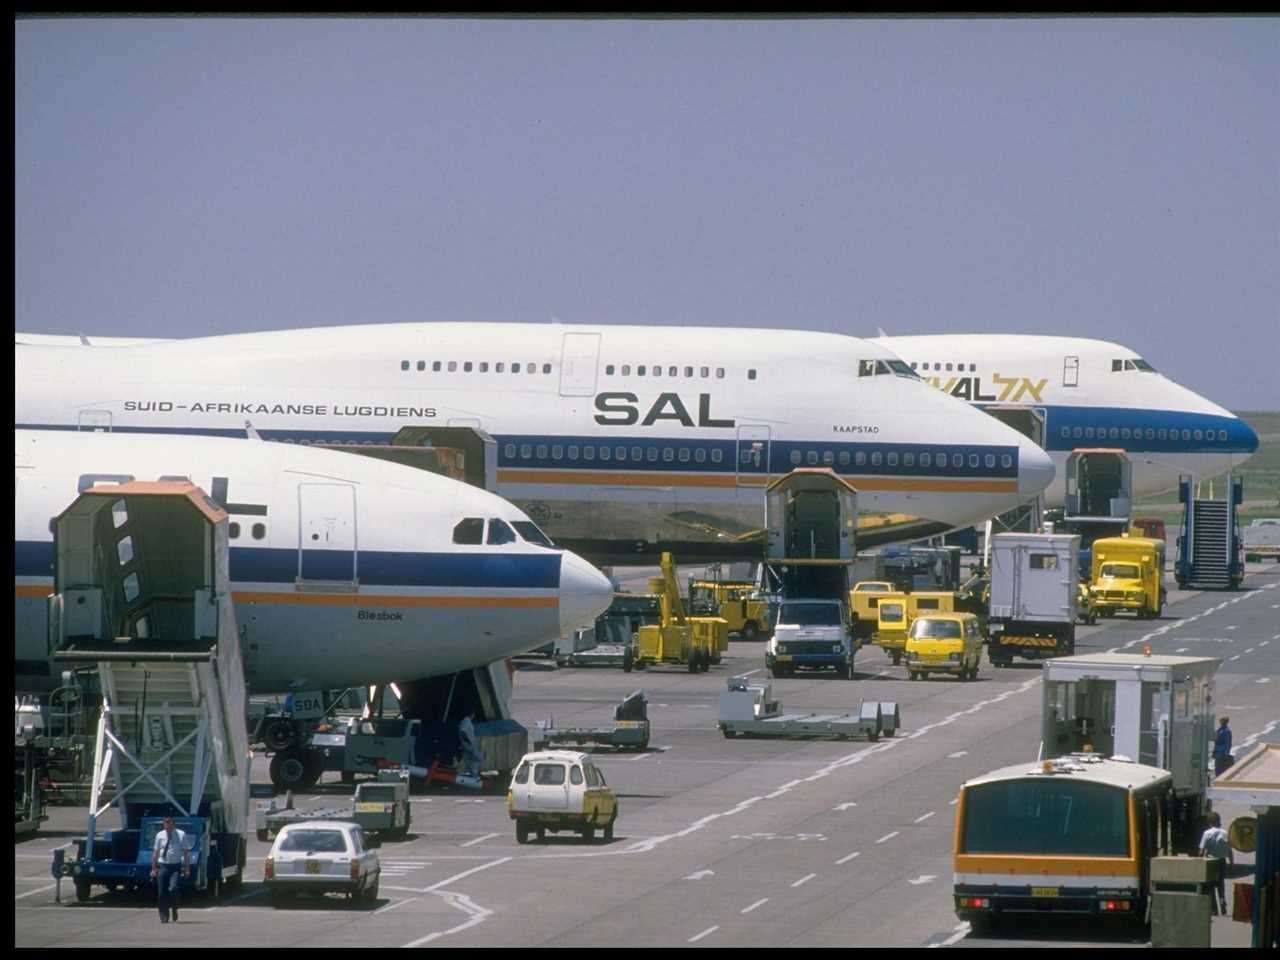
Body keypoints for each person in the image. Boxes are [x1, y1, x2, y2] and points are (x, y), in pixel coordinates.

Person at [150, 816, 190, 923]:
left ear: (174, 825)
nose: (168, 829)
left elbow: (186, 852)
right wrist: (153, 868)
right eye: (166, 827)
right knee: (162, 892)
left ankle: (175, 908)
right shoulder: (160, 835)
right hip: (163, 866)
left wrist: (187, 868)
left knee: (173, 888)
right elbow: (156, 852)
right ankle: (164, 915)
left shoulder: (181, 834)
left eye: (170, 827)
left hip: (175, 866)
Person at [1198, 812, 1233, 916]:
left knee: (1211, 886)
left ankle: (1214, 909)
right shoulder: (1225, 833)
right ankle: (1222, 901)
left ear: (1209, 822)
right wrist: (1231, 864)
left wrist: (1200, 860)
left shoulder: (1207, 833)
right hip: (1222, 861)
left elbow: (1201, 850)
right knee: (1220, 884)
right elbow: (1230, 851)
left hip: (1210, 862)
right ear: (1219, 821)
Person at [458, 711, 483, 778]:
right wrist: (468, 741)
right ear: (472, 714)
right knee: (478, 757)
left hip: (468, 744)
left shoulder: (467, 721)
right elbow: (463, 732)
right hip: (468, 744)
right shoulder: (466, 721)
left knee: (469, 759)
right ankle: (474, 775)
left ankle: (472, 774)